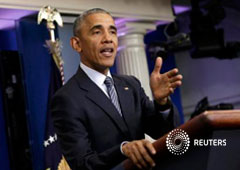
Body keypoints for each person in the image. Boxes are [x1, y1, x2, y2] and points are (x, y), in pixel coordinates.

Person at [51, 8, 182, 170]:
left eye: (112, 32)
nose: (108, 39)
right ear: (77, 44)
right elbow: (82, 164)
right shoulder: (67, 98)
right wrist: (123, 149)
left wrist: (162, 103)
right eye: (97, 32)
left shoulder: (131, 85)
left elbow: (166, 134)